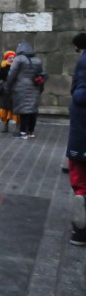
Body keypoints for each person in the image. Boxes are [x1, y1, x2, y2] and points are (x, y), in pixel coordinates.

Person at [67, 33, 86, 246]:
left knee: (80, 174)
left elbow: (81, 95)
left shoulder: (84, 62)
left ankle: (81, 230)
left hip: (82, 129)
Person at [5, 40, 44, 140]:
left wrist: (7, 86)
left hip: (21, 87)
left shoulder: (19, 59)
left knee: (24, 110)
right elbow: (42, 74)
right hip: (35, 87)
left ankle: (22, 132)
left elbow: (12, 74)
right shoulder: (37, 60)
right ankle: (30, 131)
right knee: (32, 110)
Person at [0, 50, 19, 133]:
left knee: (16, 109)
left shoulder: (17, 66)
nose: (12, 59)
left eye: (13, 57)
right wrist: (2, 67)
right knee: (5, 109)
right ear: (6, 58)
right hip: (6, 90)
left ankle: (18, 126)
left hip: (15, 89)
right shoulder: (4, 66)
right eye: (10, 58)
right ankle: (5, 125)